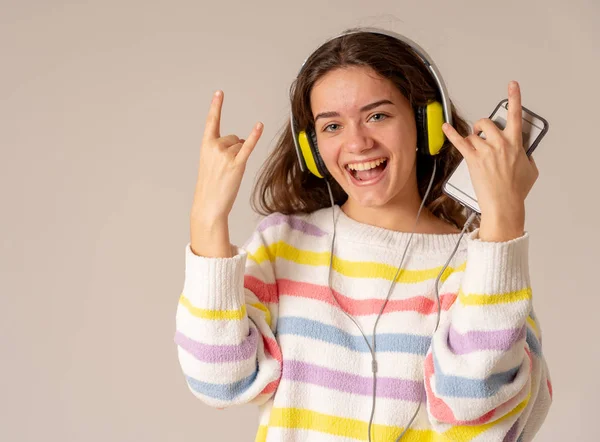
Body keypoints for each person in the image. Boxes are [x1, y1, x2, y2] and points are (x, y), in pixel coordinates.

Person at [174, 27, 552, 442]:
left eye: (377, 115)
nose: (357, 142)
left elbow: (474, 402)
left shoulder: (479, 263)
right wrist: (207, 217)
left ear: (425, 123)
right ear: (312, 147)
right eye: (332, 126)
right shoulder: (282, 244)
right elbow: (219, 380)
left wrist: (503, 221)